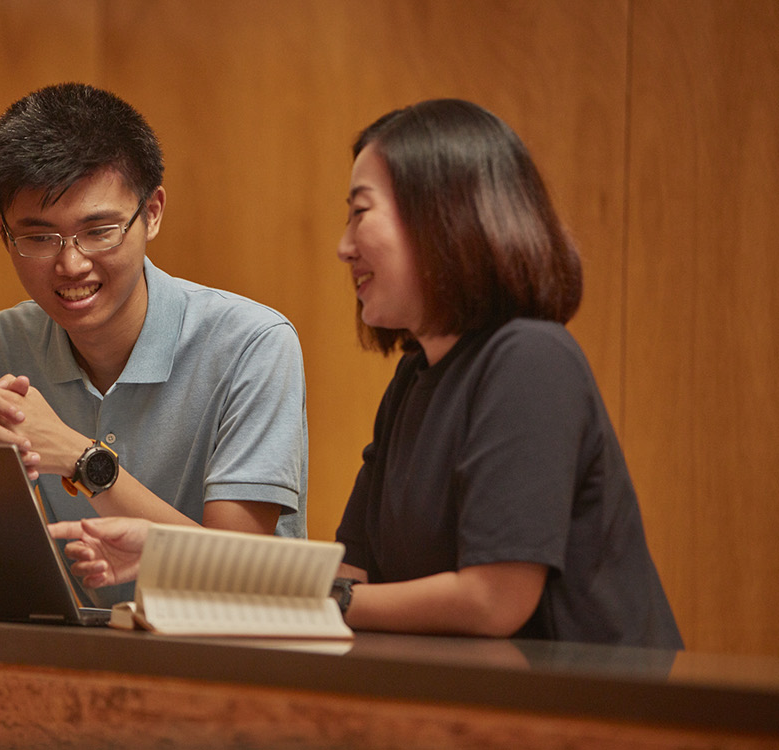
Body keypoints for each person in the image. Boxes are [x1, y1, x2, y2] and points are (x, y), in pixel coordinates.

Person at [51, 99, 683, 648]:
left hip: (593, 713)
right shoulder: (414, 380)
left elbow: (494, 601)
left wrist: (325, 601)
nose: (344, 245)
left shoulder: (531, 359)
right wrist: (170, 553)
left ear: (443, 216)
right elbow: (350, 573)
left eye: (361, 212)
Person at [0, 83, 308, 605]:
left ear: (153, 212)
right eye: (38, 237)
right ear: (3, 231)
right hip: (69, 661)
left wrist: (82, 460)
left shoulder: (252, 344)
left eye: (100, 231)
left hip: (226, 661)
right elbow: (1, 565)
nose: (71, 264)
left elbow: (243, 573)